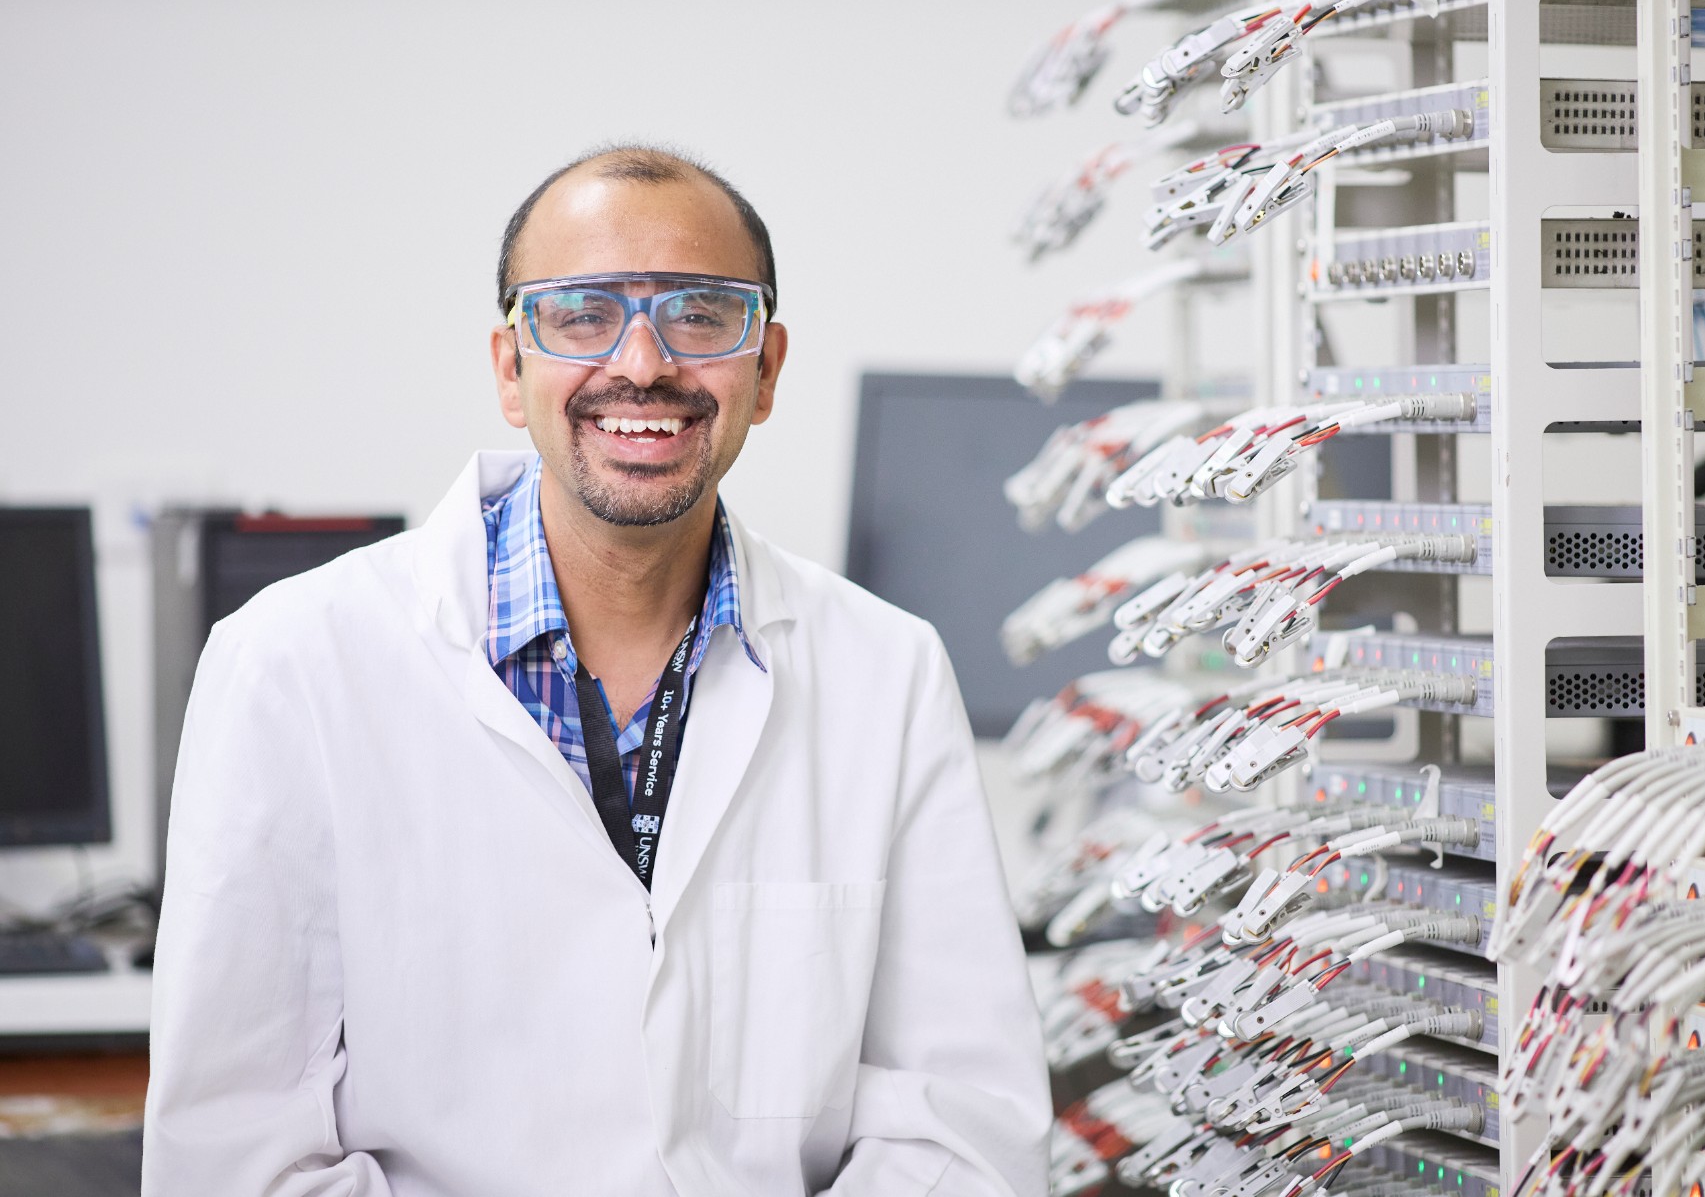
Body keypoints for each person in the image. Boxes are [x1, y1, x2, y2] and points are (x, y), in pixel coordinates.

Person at [143, 145, 1050, 1195]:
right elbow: (233, 1150)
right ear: (508, 365)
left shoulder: (885, 672)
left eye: (702, 315)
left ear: (767, 371)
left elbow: (961, 1127)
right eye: (580, 313)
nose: (642, 363)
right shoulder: (291, 663)